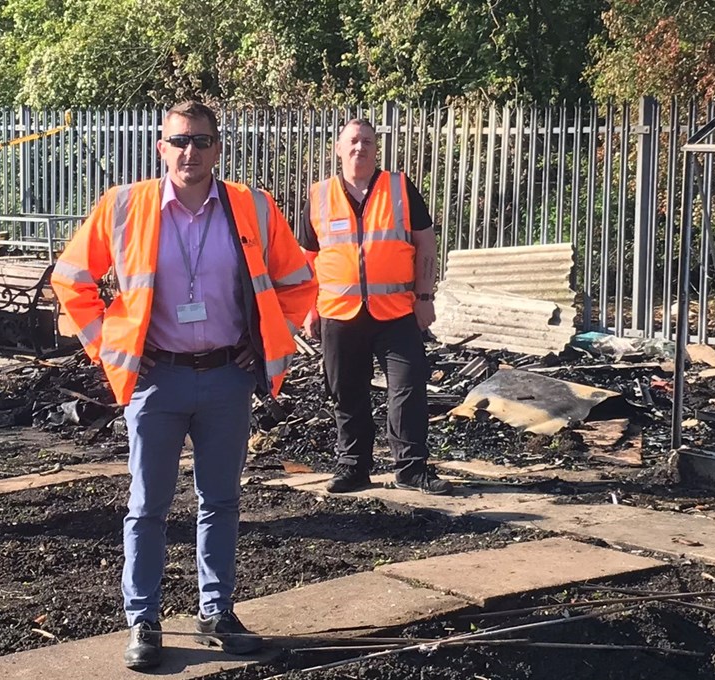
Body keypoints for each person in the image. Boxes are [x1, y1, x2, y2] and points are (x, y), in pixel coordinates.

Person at [49, 101, 318, 670]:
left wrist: (269, 337)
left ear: (218, 148)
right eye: (179, 141)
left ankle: (216, 610)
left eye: (201, 141)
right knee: (147, 506)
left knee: (220, 500)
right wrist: (110, 347)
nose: (190, 152)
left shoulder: (253, 208)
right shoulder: (123, 206)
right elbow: (71, 281)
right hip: (156, 381)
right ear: (161, 147)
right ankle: (143, 621)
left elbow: (298, 282)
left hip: (227, 378)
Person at [299, 118, 452, 496]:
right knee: (346, 391)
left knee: (407, 387)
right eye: (352, 141)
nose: (360, 148)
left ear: (376, 149)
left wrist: (424, 297)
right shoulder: (319, 195)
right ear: (338, 148)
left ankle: (411, 468)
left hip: (396, 311)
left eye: (367, 141)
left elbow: (426, 245)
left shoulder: (399, 188)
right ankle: (353, 467)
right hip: (338, 312)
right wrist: (308, 308)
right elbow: (306, 258)